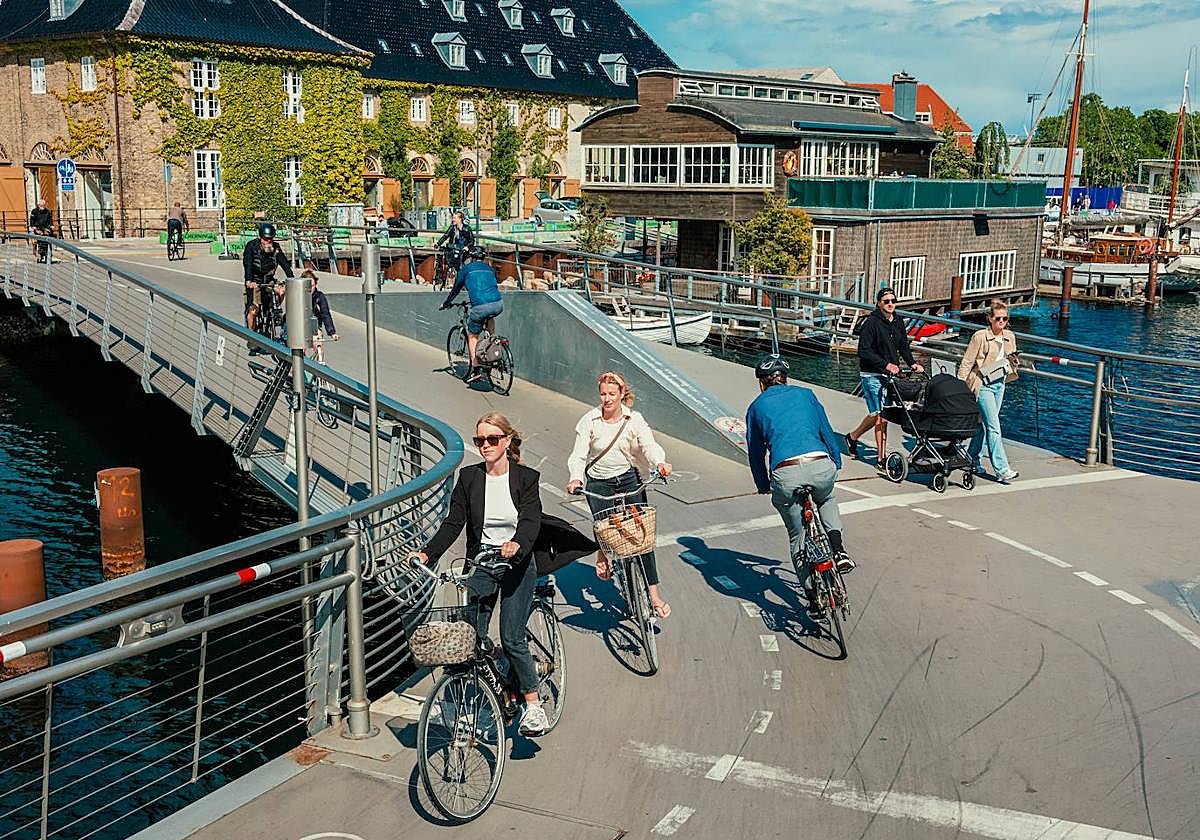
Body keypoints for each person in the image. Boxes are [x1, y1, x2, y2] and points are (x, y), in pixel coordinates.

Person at [412, 413, 548, 736]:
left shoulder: (525, 479)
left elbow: (531, 521)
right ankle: (473, 700)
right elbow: (453, 523)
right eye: (480, 441)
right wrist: (428, 553)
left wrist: (517, 543)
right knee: (470, 636)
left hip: (516, 564)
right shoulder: (470, 478)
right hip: (483, 563)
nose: (485, 446)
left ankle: (533, 706)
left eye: (492, 439)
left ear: (507, 441)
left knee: (512, 636)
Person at [746, 354, 853, 617]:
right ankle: (838, 551)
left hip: (786, 473)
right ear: (786, 379)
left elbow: (756, 451)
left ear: (762, 384)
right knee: (826, 499)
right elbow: (825, 431)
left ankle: (813, 601)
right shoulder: (806, 394)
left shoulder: (756, 407)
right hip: (819, 463)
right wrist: (835, 461)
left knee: (798, 536)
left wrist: (762, 483)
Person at [565, 371, 673, 618]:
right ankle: (603, 553)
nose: (607, 399)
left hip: (628, 478)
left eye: (612, 394)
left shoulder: (633, 419)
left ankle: (654, 596)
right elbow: (579, 454)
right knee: (603, 525)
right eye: (603, 394)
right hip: (598, 481)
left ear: (622, 394)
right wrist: (575, 477)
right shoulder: (590, 421)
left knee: (641, 536)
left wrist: (660, 463)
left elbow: (648, 444)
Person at [844, 287, 923, 469]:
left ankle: (853, 437)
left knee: (878, 414)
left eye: (893, 301)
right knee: (882, 416)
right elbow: (863, 351)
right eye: (886, 301)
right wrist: (886, 364)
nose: (890, 304)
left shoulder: (898, 321)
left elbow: (903, 346)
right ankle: (881, 459)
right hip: (872, 374)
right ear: (879, 303)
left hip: (891, 375)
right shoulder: (871, 323)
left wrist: (912, 363)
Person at [958, 300, 1020, 484]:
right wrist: (960, 386)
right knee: (994, 427)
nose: (1002, 322)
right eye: (998, 319)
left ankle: (971, 458)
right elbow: (967, 362)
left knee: (984, 425)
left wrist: (1014, 361)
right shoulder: (980, 337)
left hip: (1000, 383)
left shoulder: (1010, 336)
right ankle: (1002, 470)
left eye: (1005, 319)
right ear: (990, 319)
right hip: (982, 384)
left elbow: (1010, 358)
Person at [440, 244, 502, 383]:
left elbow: (455, 289)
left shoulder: (466, 269)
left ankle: (476, 368)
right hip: (498, 303)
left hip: (480, 306)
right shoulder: (490, 269)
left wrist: (446, 303)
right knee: (490, 315)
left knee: (473, 336)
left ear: (472, 258)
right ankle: (492, 341)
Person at [242, 223, 293, 332]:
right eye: (266, 239)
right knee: (253, 310)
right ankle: (251, 334)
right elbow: (248, 264)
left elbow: (284, 263)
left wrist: (291, 278)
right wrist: (249, 280)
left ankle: (274, 308)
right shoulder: (251, 246)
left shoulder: (276, 248)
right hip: (255, 281)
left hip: (269, 280)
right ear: (260, 237)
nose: (268, 241)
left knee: (281, 291)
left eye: (270, 239)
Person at [304, 269, 339, 359]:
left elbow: (325, 314)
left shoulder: (319, 296)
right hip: (299, 324)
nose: (310, 289)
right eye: (308, 286)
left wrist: (332, 332)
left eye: (312, 286)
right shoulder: (298, 294)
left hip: (313, 324)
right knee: (300, 347)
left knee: (318, 345)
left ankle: (319, 366)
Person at [435, 210, 475, 283]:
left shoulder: (467, 228)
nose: (453, 220)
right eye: (453, 218)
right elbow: (445, 236)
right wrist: (438, 243)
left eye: (455, 218)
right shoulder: (452, 228)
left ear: (460, 219)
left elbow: (472, 240)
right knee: (452, 264)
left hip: (464, 251)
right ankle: (451, 281)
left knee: (466, 267)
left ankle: (467, 282)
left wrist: (467, 247)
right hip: (455, 250)